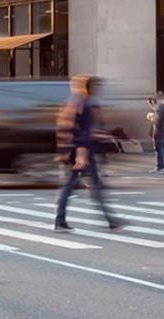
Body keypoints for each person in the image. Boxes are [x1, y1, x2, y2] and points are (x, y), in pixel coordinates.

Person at [54, 75, 122, 232]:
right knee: (90, 186)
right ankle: (110, 220)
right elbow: (82, 133)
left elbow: (64, 129)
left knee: (71, 186)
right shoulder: (84, 105)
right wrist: (81, 155)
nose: (98, 90)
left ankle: (61, 219)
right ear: (89, 88)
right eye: (96, 87)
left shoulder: (71, 103)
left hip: (72, 150)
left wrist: (63, 150)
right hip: (81, 152)